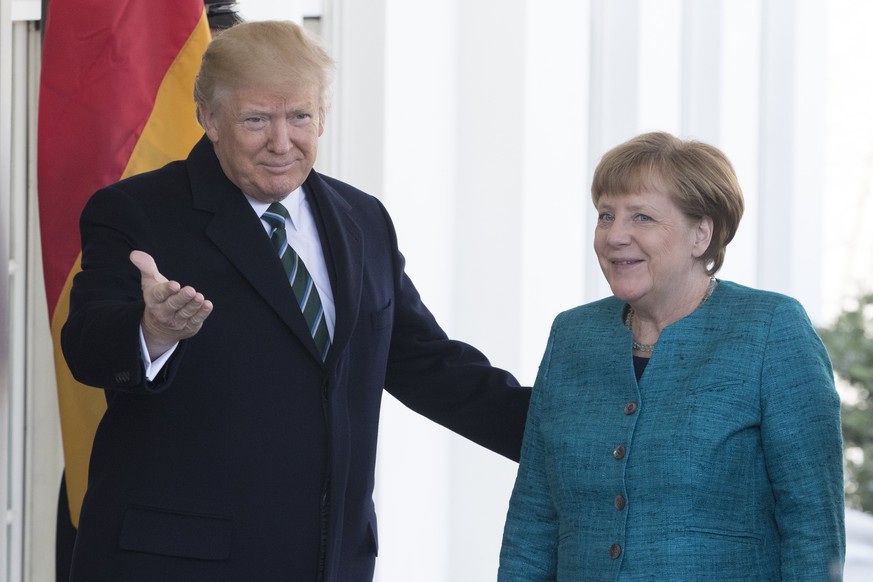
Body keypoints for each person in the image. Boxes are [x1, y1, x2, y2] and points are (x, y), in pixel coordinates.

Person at [61, 20, 530, 581]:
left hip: (328, 561)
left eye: (299, 116)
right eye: (257, 119)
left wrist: (571, 431)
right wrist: (152, 330)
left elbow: (426, 362)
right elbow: (87, 348)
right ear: (208, 118)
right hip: (179, 563)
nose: (282, 142)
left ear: (322, 114)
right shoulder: (136, 211)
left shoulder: (363, 219)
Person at [498, 131, 845, 580]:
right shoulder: (572, 335)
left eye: (641, 217)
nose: (615, 235)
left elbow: (813, 529)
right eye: (606, 215)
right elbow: (534, 517)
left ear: (701, 233)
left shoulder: (771, 329)